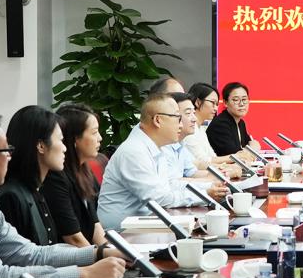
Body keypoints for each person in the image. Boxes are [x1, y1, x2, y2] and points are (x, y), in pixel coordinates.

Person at [0, 106, 127, 278]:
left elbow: (32, 254)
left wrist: (99, 253)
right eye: (6, 150)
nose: (9, 156)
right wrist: (85, 274)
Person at [98, 92, 230, 230]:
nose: (181, 125)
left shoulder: (155, 146)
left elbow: (168, 186)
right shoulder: (134, 151)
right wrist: (205, 194)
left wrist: (208, 188)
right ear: (158, 120)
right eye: (177, 118)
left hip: (147, 221)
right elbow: (160, 199)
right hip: (124, 233)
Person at [0, 106, 65, 246]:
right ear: (41, 146)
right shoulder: (11, 197)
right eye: (61, 140)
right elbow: (19, 255)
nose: (65, 148)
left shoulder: (34, 190)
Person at [42, 103, 106, 247]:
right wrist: (101, 255)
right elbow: (73, 238)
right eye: (94, 132)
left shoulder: (84, 170)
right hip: (70, 256)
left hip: (87, 251)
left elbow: (95, 225)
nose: (100, 138)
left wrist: (110, 251)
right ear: (75, 138)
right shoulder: (55, 177)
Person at [167, 92, 239, 180]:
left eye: (193, 113)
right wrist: (225, 173)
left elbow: (193, 170)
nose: (194, 118)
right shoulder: (164, 147)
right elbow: (174, 182)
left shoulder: (181, 144)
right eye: (188, 113)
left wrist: (224, 171)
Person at [183, 82, 244, 171]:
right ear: (198, 102)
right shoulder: (189, 129)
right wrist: (235, 157)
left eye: (217, 104)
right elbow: (203, 161)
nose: (216, 108)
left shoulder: (200, 129)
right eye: (212, 103)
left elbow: (212, 156)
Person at [207, 81, 263, 156]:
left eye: (244, 99)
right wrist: (253, 148)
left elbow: (248, 146)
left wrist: (252, 148)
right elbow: (235, 156)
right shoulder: (220, 125)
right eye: (236, 100)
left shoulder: (241, 123)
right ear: (225, 102)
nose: (241, 104)